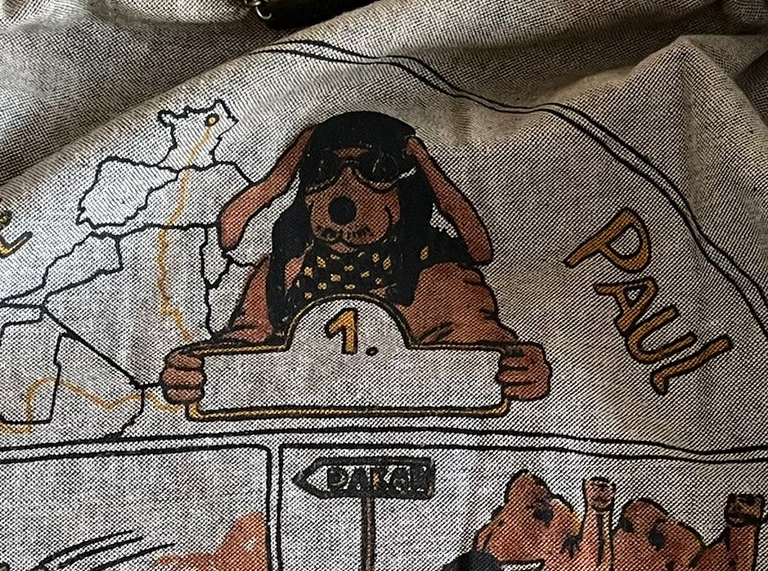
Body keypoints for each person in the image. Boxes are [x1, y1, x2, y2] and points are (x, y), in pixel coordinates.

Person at [160, 112, 550, 407]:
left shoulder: (441, 280)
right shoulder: (282, 274)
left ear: (407, 194)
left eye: (375, 172)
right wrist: (197, 369)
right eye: (323, 172)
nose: (343, 199)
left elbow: (480, 346)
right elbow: (246, 343)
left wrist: (519, 369)